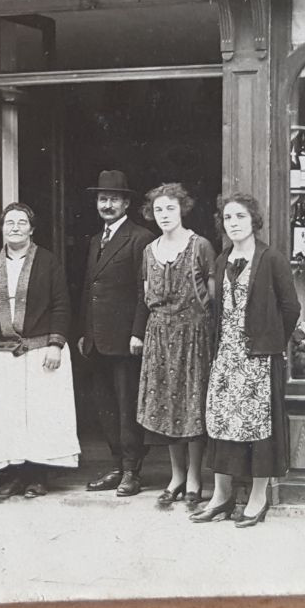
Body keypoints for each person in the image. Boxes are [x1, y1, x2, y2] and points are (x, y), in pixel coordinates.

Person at [191, 192, 298, 528]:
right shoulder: (222, 260)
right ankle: (221, 497)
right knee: (221, 424)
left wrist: (271, 342)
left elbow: (290, 307)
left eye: (239, 217)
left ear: (254, 221)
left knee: (259, 429)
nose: (233, 223)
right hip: (226, 357)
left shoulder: (271, 259)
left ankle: (257, 498)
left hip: (259, 359)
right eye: (227, 218)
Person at [0, 201, 79, 499]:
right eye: (9, 222)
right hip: (3, 353)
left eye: (21, 222)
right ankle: (12, 477)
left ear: (32, 229)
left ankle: (37, 477)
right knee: (8, 416)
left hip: (41, 351)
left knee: (41, 415)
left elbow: (62, 304)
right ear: (1, 229)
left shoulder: (48, 261)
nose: (15, 227)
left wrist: (56, 343)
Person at [135, 183, 215, 511]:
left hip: (194, 337)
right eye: (158, 210)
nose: (164, 215)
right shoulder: (148, 250)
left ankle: (195, 478)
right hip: (160, 338)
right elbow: (146, 294)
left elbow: (213, 298)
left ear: (182, 208)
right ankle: (176, 477)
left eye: (170, 208)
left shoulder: (200, 246)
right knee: (167, 407)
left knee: (192, 407)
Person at [77, 170, 155, 497]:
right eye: (102, 199)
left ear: (126, 203)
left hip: (125, 340)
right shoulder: (96, 240)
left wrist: (138, 332)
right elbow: (88, 289)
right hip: (97, 338)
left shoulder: (140, 238)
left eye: (113, 199)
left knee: (127, 406)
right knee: (106, 406)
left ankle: (132, 472)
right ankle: (116, 465)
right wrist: (84, 332)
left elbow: (144, 291)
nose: (107, 205)